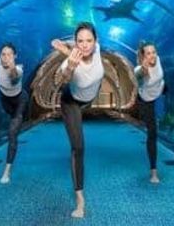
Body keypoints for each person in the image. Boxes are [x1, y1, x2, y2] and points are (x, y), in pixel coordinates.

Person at [51, 21, 104, 219]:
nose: (85, 45)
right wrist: (69, 65)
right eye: (80, 41)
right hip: (71, 100)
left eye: (89, 40)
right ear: (76, 42)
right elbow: (63, 79)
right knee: (78, 147)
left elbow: (80, 44)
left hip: (91, 94)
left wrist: (63, 46)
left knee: (92, 87)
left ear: (95, 41)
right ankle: (80, 199)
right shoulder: (69, 62)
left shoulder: (97, 48)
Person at [0, 42, 28, 184]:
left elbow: (14, 77)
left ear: (15, 56)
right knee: (11, 120)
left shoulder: (18, 71)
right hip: (4, 100)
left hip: (19, 100)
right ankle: (18, 120)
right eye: (3, 54)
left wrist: (12, 67)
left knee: (12, 134)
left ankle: (6, 172)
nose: (6, 57)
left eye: (9, 54)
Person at [134, 41, 165, 184]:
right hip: (145, 100)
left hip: (159, 92)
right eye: (148, 53)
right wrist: (144, 68)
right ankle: (154, 172)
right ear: (143, 57)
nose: (152, 55)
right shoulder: (139, 70)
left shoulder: (157, 59)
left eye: (154, 52)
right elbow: (140, 74)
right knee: (152, 133)